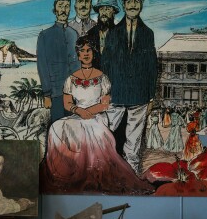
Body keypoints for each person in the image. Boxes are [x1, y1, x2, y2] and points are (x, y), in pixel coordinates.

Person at [44, 36, 154, 194]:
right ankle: (71, 174)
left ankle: (93, 174)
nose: (86, 54)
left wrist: (90, 112)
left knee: (94, 130)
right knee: (57, 127)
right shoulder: (71, 79)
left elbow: (105, 103)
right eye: (82, 51)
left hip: (97, 116)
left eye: (89, 50)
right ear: (78, 55)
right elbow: (67, 103)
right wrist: (79, 111)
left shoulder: (103, 78)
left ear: (94, 54)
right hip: (78, 115)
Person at [101, 0, 158, 175]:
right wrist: (106, 92)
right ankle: (104, 169)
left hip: (140, 95)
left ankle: (131, 175)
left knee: (133, 141)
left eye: (136, 2)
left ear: (141, 5)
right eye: (129, 2)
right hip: (116, 93)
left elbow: (152, 66)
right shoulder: (113, 33)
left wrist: (150, 97)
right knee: (105, 132)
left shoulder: (148, 33)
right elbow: (106, 64)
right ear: (123, 5)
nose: (133, 5)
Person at [37, 0, 80, 122]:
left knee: (73, 128)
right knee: (57, 128)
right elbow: (42, 66)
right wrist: (46, 94)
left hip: (73, 93)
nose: (63, 10)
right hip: (56, 94)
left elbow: (77, 63)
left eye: (66, 7)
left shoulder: (74, 34)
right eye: (60, 6)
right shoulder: (45, 35)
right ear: (54, 10)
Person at [86, 0, 119, 65]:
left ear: (114, 11)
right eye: (101, 9)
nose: (103, 12)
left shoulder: (120, 33)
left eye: (107, 9)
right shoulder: (90, 33)